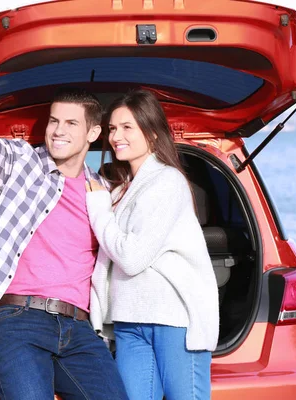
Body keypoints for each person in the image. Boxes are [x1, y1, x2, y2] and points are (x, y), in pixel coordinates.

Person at [0, 57, 128, 400]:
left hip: (80, 328)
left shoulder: (101, 192)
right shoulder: (21, 163)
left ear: (93, 132)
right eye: (55, 120)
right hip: (18, 319)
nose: (59, 130)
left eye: (72, 123)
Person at [86, 89, 219, 400]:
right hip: (129, 320)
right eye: (112, 128)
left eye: (127, 127)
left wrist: (99, 208)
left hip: (171, 318)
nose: (116, 135)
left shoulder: (167, 182)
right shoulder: (119, 192)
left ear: (153, 133)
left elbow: (131, 258)